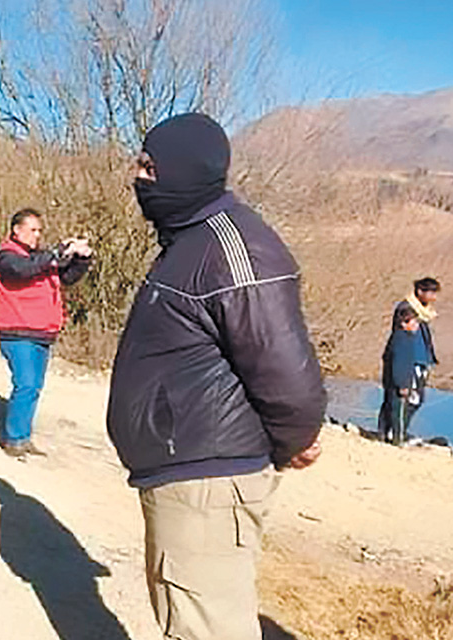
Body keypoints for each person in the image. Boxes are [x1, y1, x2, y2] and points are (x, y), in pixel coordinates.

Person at [107, 113, 326, 640]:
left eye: (149, 167)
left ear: (184, 170)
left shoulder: (234, 248)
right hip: (186, 477)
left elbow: (286, 376)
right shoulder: (188, 242)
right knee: (187, 622)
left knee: (207, 628)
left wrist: (292, 442)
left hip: (209, 484)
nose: (138, 176)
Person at [0, 209, 91, 458]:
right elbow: (22, 270)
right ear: (17, 229)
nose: (37, 235)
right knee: (25, 384)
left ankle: (23, 436)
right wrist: (56, 253)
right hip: (17, 332)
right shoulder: (6, 257)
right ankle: (14, 438)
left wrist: (81, 258)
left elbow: (66, 278)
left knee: (34, 386)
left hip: (42, 332)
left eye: (39, 230)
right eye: (33, 229)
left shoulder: (41, 258)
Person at [381, 306, 431, 445]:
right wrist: (402, 384)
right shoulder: (401, 339)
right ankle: (398, 438)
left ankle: (393, 435)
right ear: (404, 324)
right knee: (399, 412)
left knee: (401, 408)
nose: (416, 326)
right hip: (399, 382)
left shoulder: (407, 338)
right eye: (413, 323)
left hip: (404, 380)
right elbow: (399, 364)